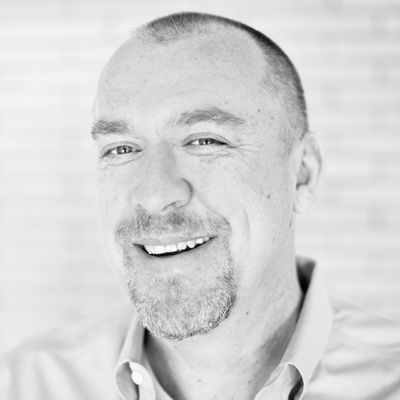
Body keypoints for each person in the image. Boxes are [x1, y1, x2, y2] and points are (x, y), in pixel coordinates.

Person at [1, 12, 400, 400]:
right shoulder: (23, 384)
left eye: (205, 141)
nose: (155, 195)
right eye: (121, 148)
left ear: (302, 175)